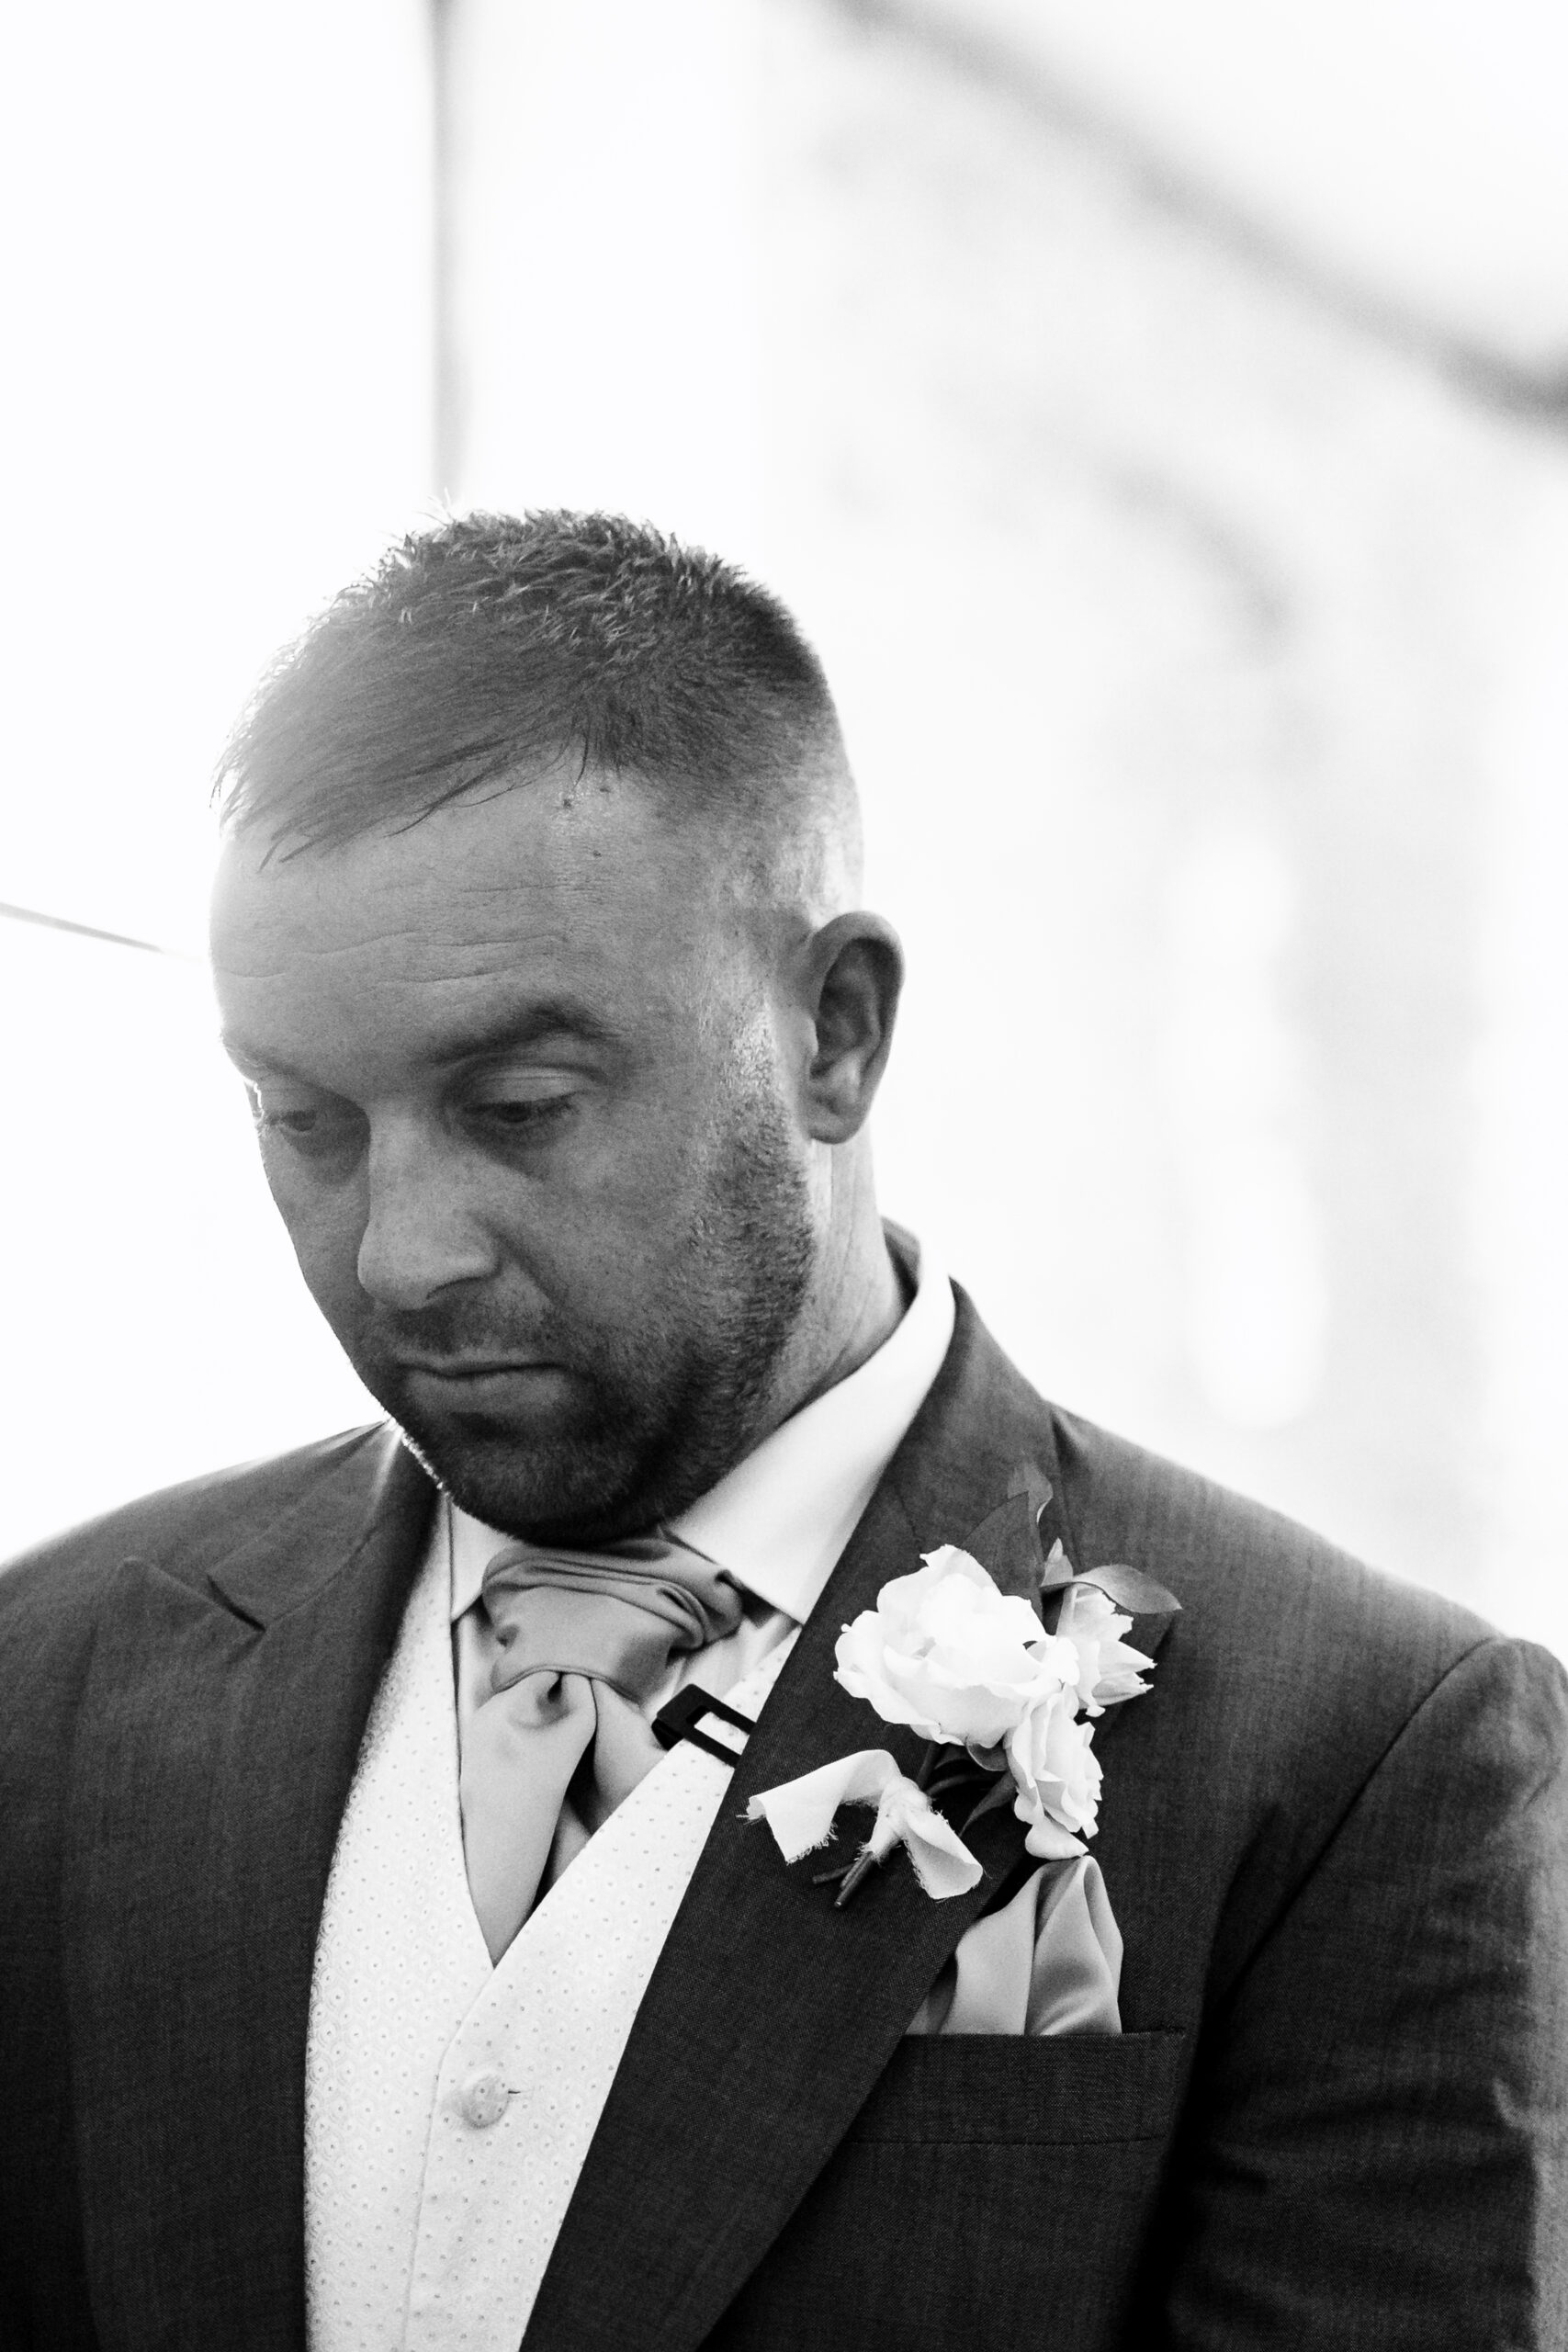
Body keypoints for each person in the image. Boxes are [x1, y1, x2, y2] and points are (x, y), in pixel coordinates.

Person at [2, 512, 1564, 2352]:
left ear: (831, 1029)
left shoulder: (1366, 1759)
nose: (402, 1254)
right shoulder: (49, 1677)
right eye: (304, 1124)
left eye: (518, 1104)